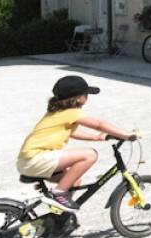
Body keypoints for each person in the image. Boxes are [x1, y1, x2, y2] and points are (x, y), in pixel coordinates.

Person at [15, 75, 134, 210]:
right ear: (78, 98)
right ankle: (58, 193)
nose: (87, 97)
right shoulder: (72, 112)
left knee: (74, 180)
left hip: (27, 161)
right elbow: (99, 124)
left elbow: (72, 132)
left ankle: (59, 216)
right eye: (86, 94)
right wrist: (126, 134)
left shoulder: (57, 110)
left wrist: (97, 137)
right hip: (35, 159)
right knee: (90, 155)